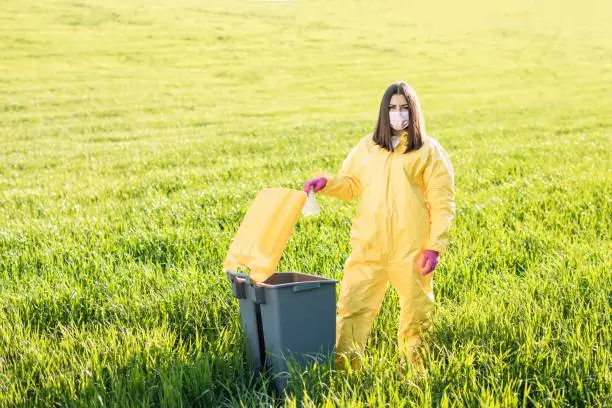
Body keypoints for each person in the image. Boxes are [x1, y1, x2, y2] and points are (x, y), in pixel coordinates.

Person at [303, 81, 455, 368]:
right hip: (369, 246)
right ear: (384, 112)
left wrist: (434, 248)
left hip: (411, 250)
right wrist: (327, 184)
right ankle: (345, 372)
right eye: (392, 107)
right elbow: (350, 185)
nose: (398, 113)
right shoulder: (368, 148)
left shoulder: (429, 153)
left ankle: (415, 374)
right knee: (352, 309)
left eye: (404, 107)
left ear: (414, 111)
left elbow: (442, 204)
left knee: (416, 314)